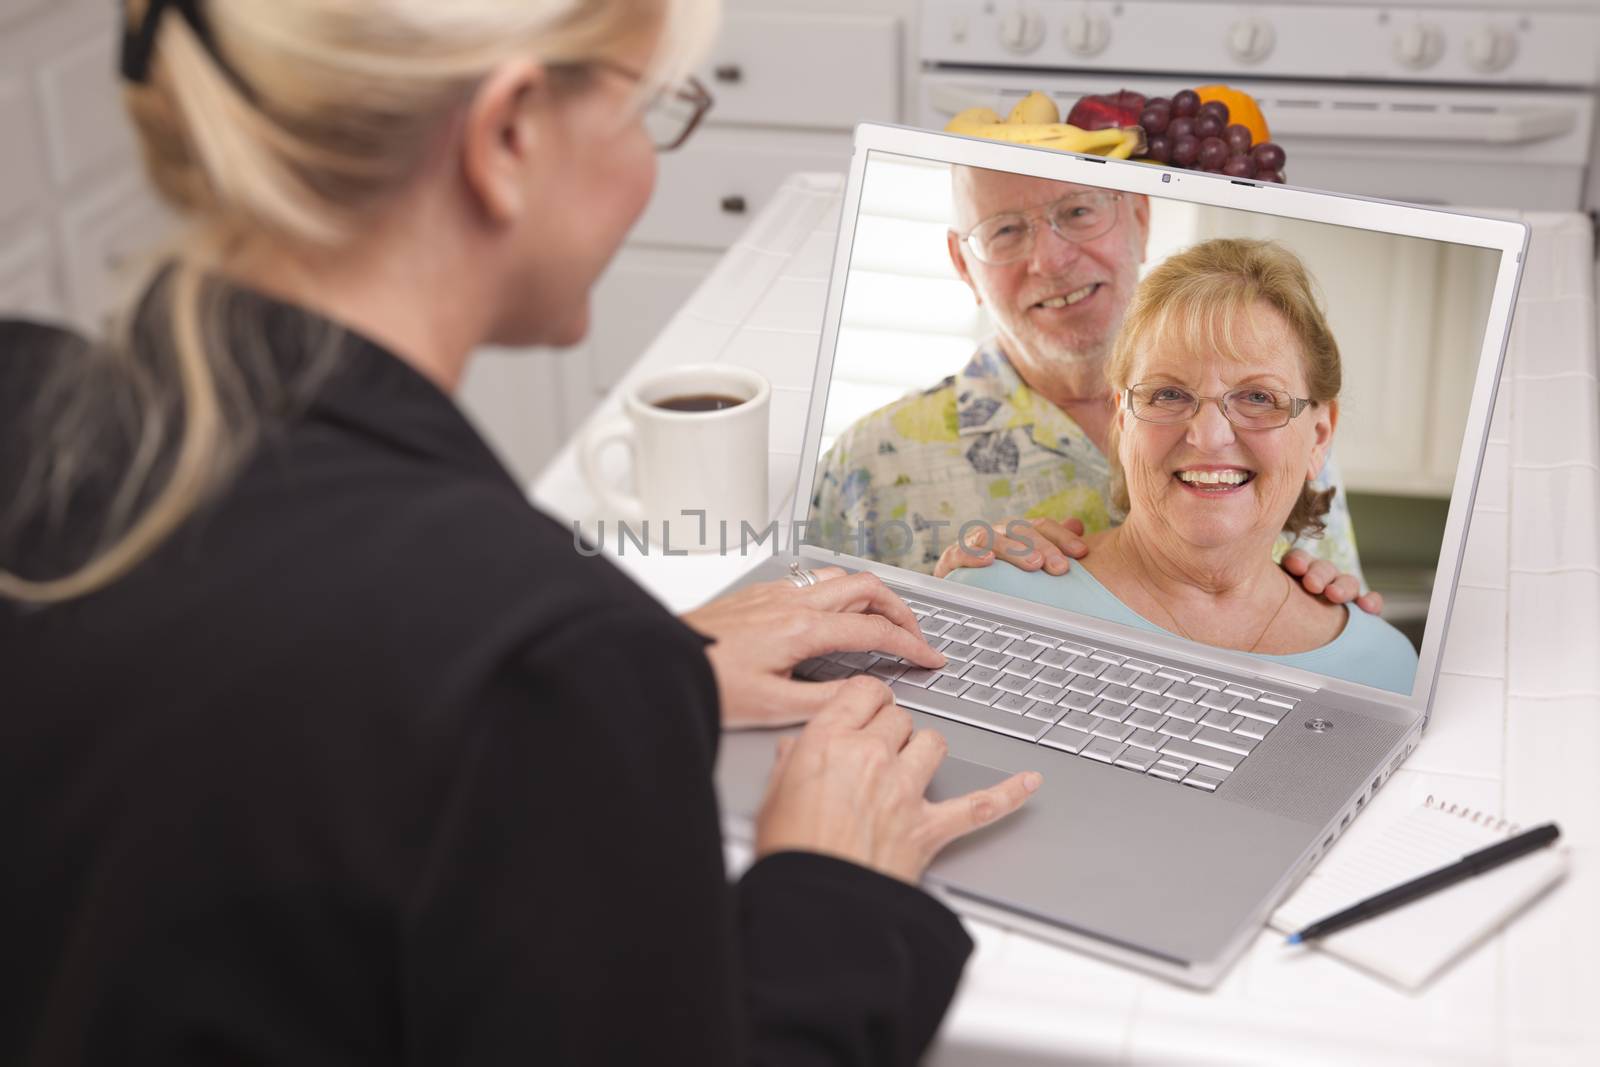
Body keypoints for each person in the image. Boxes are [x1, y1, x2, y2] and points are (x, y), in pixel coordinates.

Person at [0, 2, 1041, 1063]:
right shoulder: (538, 655)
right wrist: (836, 886)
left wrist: (645, 672)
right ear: (506, 136)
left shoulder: (23, 397)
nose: (646, 163)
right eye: (647, 111)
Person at [808, 165, 1380, 614]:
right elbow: (817, 674)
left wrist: (1332, 613)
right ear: (963, 264)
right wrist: (949, 613)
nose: (1051, 261)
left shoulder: (1279, 423)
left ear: (1140, 217)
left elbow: (1324, 596)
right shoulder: (866, 465)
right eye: (1005, 230)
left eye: (1078, 211)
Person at [948, 239, 1418, 692]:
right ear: (1121, 418)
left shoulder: (1386, 668)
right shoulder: (993, 601)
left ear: (1318, 436)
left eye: (1258, 397)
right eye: (1168, 394)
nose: (1209, 436)